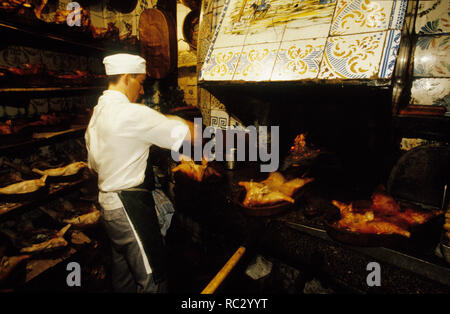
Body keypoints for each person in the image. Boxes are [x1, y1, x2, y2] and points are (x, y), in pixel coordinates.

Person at [85, 53, 194, 293]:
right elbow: (186, 135)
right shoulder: (130, 113)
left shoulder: (97, 114)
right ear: (126, 78)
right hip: (129, 208)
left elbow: (93, 164)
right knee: (153, 280)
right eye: (140, 82)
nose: (142, 90)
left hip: (108, 208)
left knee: (124, 276)